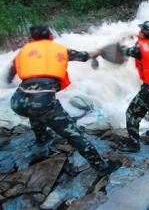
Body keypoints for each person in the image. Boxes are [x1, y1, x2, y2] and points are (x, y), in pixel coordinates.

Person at [8, 25, 120, 175]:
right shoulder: (61, 50)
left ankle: (42, 138)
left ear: (32, 39)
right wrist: (99, 51)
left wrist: (8, 81)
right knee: (73, 134)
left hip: (18, 100)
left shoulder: (23, 52)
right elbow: (85, 55)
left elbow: (11, 71)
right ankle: (102, 167)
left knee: (35, 112)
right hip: (43, 101)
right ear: (51, 37)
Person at [120, 21, 149, 152]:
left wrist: (121, 41)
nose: (139, 32)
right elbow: (145, 41)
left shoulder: (139, 49)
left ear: (144, 33)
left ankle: (134, 145)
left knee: (131, 114)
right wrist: (136, 36)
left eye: (141, 30)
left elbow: (124, 51)